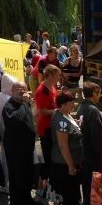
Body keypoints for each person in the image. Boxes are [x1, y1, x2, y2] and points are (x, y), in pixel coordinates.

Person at [3, 81, 40, 205]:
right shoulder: (9, 106)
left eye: (24, 89)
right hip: (15, 149)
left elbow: (31, 118)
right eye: (18, 89)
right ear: (12, 91)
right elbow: (16, 119)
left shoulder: (25, 104)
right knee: (17, 177)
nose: (22, 91)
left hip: (27, 147)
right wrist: (25, 103)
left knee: (27, 175)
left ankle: (27, 200)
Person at [50, 90, 84, 205]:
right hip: (64, 163)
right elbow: (63, 145)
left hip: (63, 161)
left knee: (61, 187)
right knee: (71, 190)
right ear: (63, 104)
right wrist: (71, 166)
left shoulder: (62, 114)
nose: (74, 104)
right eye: (71, 102)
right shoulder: (61, 121)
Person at [76, 81, 102, 205]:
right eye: (99, 93)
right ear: (94, 93)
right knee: (94, 182)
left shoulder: (81, 108)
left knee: (87, 181)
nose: (101, 96)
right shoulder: (93, 110)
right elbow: (97, 136)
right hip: (93, 153)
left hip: (84, 150)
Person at [34, 64, 61, 196]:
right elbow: (42, 111)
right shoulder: (42, 90)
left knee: (49, 157)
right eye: (57, 75)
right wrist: (58, 111)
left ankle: (45, 185)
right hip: (45, 128)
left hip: (51, 126)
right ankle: (40, 186)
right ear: (49, 75)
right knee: (46, 158)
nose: (59, 77)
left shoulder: (52, 86)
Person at [0, 72, 17, 193]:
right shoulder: (8, 99)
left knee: (4, 159)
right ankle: (9, 184)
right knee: (8, 161)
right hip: (8, 135)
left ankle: (6, 183)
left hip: (0, 133)